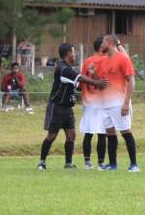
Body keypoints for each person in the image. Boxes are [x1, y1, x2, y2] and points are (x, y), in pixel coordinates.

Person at [37, 43, 108, 170]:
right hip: (57, 107)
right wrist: (96, 82)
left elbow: (79, 85)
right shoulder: (62, 68)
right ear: (69, 53)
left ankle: (68, 163)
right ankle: (41, 162)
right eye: (74, 52)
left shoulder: (68, 69)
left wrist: (92, 74)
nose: (75, 55)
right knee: (52, 135)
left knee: (71, 136)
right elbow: (79, 77)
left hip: (67, 108)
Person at [98, 35, 139, 172]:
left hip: (119, 103)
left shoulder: (123, 58)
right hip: (105, 104)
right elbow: (103, 81)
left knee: (125, 131)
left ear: (109, 43)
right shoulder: (104, 61)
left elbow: (131, 81)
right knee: (110, 133)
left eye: (103, 42)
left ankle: (134, 165)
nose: (101, 45)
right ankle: (113, 164)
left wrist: (126, 103)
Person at [78, 36, 109, 170]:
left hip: (88, 101)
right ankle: (101, 163)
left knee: (89, 132)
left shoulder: (87, 61)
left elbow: (81, 81)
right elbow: (105, 82)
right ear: (102, 47)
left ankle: (87, 162)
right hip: (102, 101)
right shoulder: (106, 60)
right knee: (102, 133)